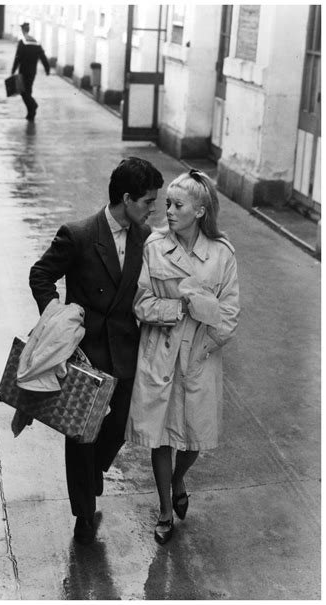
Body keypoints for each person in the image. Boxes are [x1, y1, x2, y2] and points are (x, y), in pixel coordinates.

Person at [29, 157, 164, 544]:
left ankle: (94, 474)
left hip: (125, 348)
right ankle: (84, 512)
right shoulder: (79, 234)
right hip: (85, 351)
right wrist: (58, 317)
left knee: (122, 423)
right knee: (80, 433)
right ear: (126, 198)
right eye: (148, 201)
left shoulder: (144, 236)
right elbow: (41, 274)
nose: (152, 209)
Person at [124, 169, 240, 544]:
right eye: (167, 204)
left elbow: (230, 312)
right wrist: (178, 308)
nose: (168, 211)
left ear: (201, 211)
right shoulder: (154, 246)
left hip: (200, 353)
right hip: (160, 349)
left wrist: (208, 341)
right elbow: (141, 303)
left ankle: (178, 478)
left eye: (177, 205)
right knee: (160, 436)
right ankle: (163, 508)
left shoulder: (221, 255)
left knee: (193, 438)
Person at [11, 22, 50, 121]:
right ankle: (31, 113)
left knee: (23, 92)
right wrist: (47, 68)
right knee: (28, 91)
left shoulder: (22, 42)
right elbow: (43, 56)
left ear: (23, 30)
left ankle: (33, 105)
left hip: (23, 71)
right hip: (32, 72)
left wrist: (13, 69)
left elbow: (18, 58)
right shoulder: (36, 42)